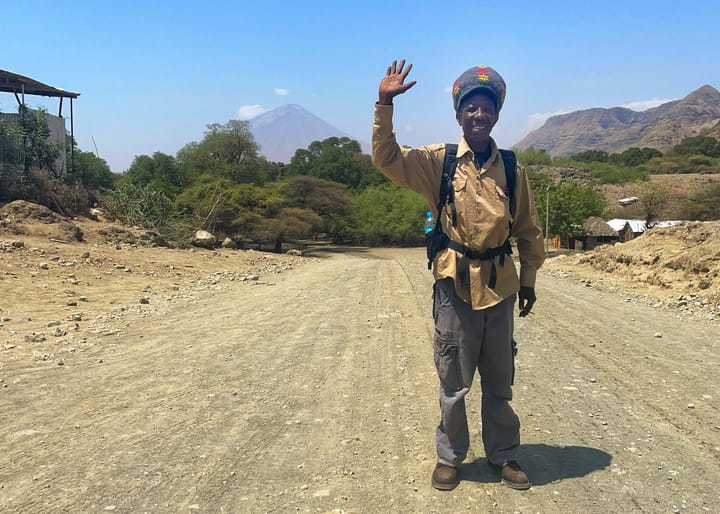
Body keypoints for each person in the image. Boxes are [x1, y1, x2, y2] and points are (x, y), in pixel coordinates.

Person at [371, 59, 545, 491]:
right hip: (453, 284)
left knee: (500, 381)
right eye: (471, 107)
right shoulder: (438, 162)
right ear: (459, 114)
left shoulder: (511, 166)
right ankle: (450, 457)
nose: (479, 114)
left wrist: (529, 282)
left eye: (487, 107)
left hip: (501, 286)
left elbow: (527, 229)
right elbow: (386, 157)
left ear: (497, 114)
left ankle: (503, 455)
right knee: (454, 381)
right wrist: (384, 103)